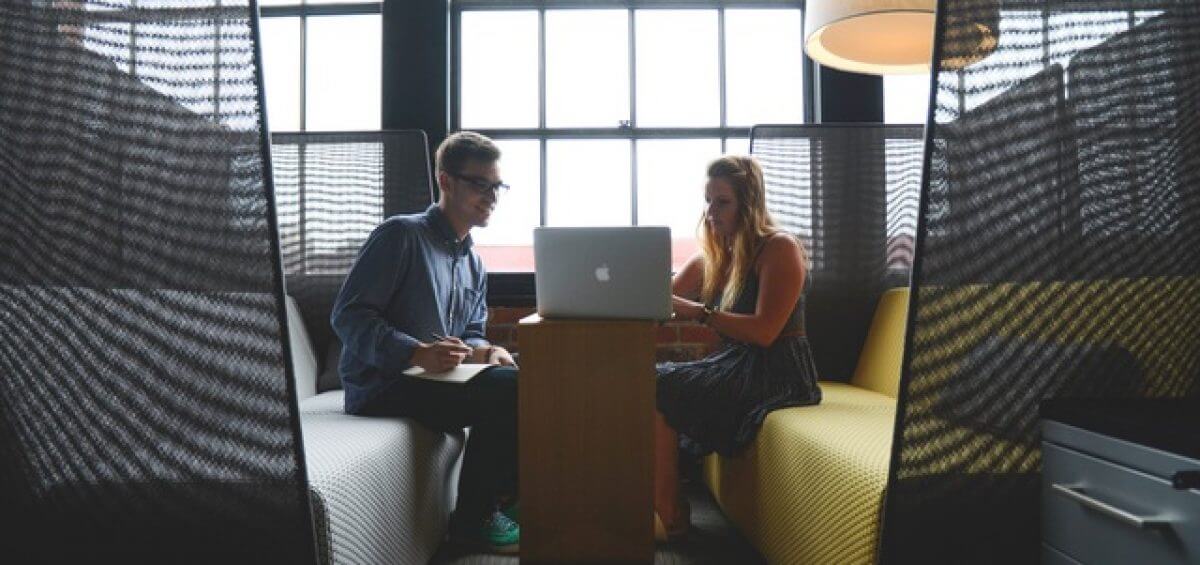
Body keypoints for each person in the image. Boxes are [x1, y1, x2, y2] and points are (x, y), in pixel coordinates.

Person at [330, 131, 520, 554]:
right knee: (512, 391)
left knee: (525, 374)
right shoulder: (400, 236)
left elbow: (470, 331)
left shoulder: (473, 262)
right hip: (383, 384)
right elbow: (348, 316)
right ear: (446, 181)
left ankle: (506, 500)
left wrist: (487, 351)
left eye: (497, 186)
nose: (492, 196)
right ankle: (473, 522)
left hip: (437, 381)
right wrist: (415, 352)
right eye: (480, 184)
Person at [654, 155, 822, 539]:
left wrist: (699, 313)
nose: (711, 212)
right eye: (708, 201)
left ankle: (668, 512)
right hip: (735, 363)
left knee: (660, 385)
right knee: (650, 381)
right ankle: (666, 505)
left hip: (778, 370)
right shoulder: (713, 256)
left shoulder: (779, 248)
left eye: (722, 202)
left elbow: (765, 332)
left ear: (748, 205)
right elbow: (659, 302)